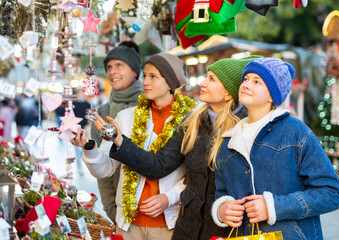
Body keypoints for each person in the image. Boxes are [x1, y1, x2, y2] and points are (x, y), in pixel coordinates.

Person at [95, 56, 262, 240]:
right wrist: (119, 139)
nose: (203, 83)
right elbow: (157, 166)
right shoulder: (192, 121)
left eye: (212, 79)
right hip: (188, 230)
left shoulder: (249, 127)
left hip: (227, 231)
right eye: (206, 77)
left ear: (228, 94)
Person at [211, 57, 339, 239]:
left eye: (257, 81)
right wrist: (222, 209)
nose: (247, 84)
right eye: (246, 79)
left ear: (272, 96)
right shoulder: (228, 141)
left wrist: (274, 206)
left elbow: (332, 193)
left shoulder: (296, 132)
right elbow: (222, 193)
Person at [72, 53, 196, 239]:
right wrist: (89, 149)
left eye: (153, 76)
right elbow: (105, 168)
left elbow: (193, 175)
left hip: (169, 224)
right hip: (128, 225)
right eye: (145, 75)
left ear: (170, 83)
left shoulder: (190, 120)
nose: (145, 81)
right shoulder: (126, 116)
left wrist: (169, 197)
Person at [92, 41, 143, 223]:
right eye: (109, 67)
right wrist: (111, 208)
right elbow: (100, 165)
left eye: (119, 65)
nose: (112, 71)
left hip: (154, 207)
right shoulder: (101, 114)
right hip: (120, 211)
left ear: (135, 71)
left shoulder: (151, 105)